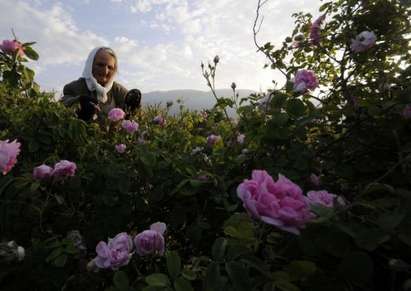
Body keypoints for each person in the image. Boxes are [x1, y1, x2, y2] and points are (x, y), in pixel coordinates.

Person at [61, 47, 141, 121]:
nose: (105, 71)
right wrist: (78, 101)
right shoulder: (75, 87)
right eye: (100, 65)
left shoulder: (118, 90)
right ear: (90, 65)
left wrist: (134, 108)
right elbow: (63, 104)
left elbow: (131, 114)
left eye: (110, 67)